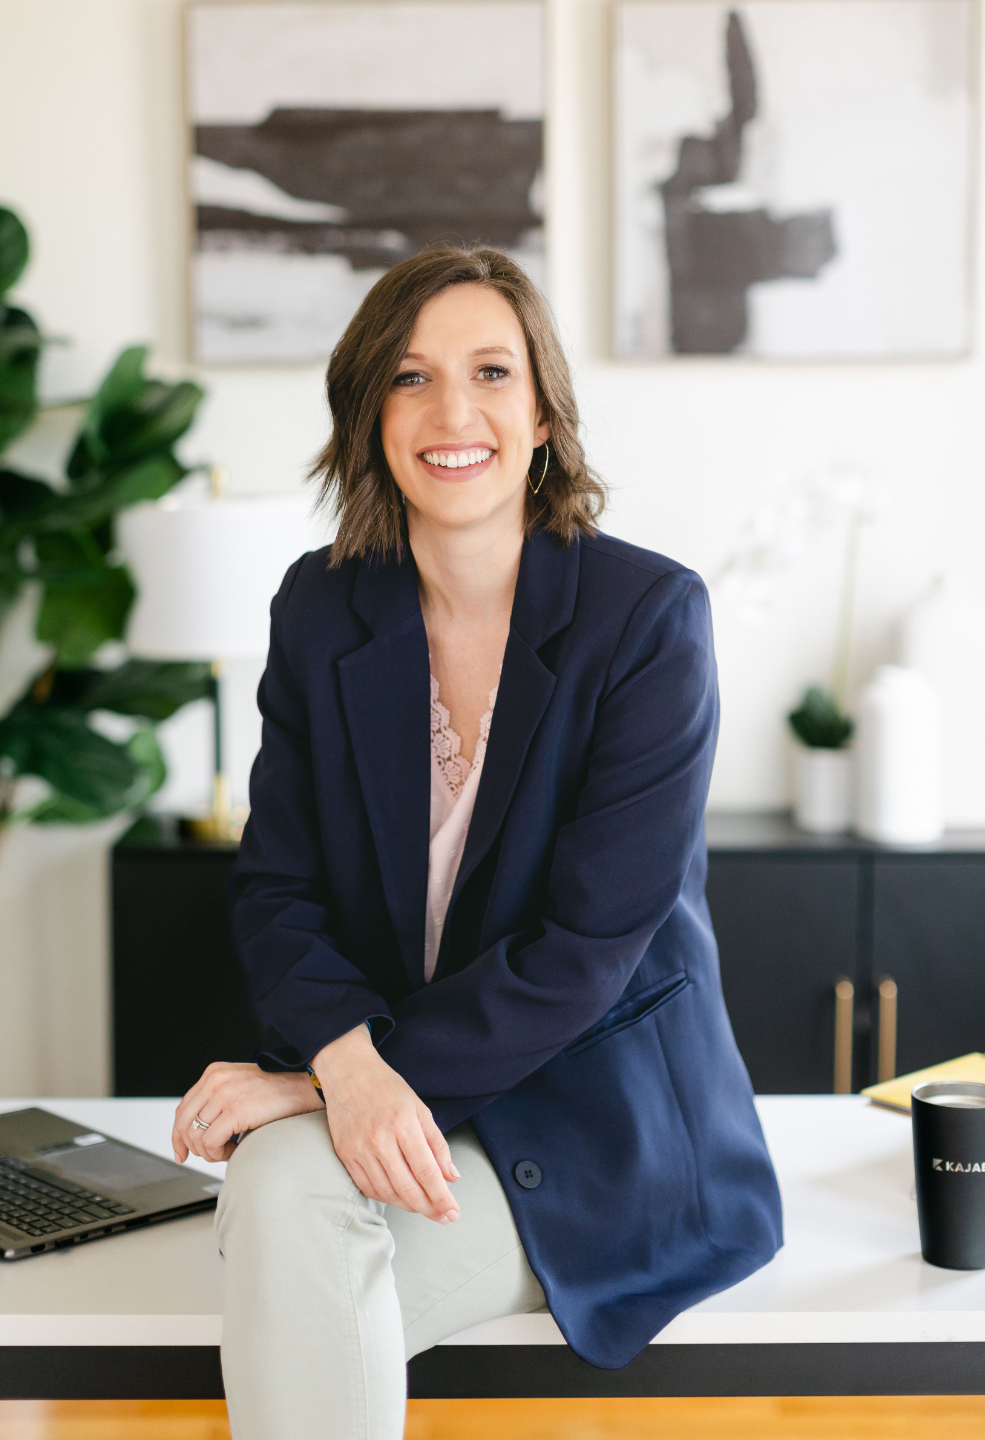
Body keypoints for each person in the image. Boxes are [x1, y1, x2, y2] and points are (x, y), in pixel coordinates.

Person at [171, 245, 782, 1440]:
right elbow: (277, 889)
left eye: (492, 372)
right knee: (285, 1207)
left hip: (599, 1129)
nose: (453, 413)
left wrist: (327, 1080)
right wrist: (348, 1070)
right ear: (370, 414)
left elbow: (583, 952)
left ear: (544, 412)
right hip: (400, 1105)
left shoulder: (647, 622)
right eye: (411, 377)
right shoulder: (320, 608)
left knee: (282, 1216)